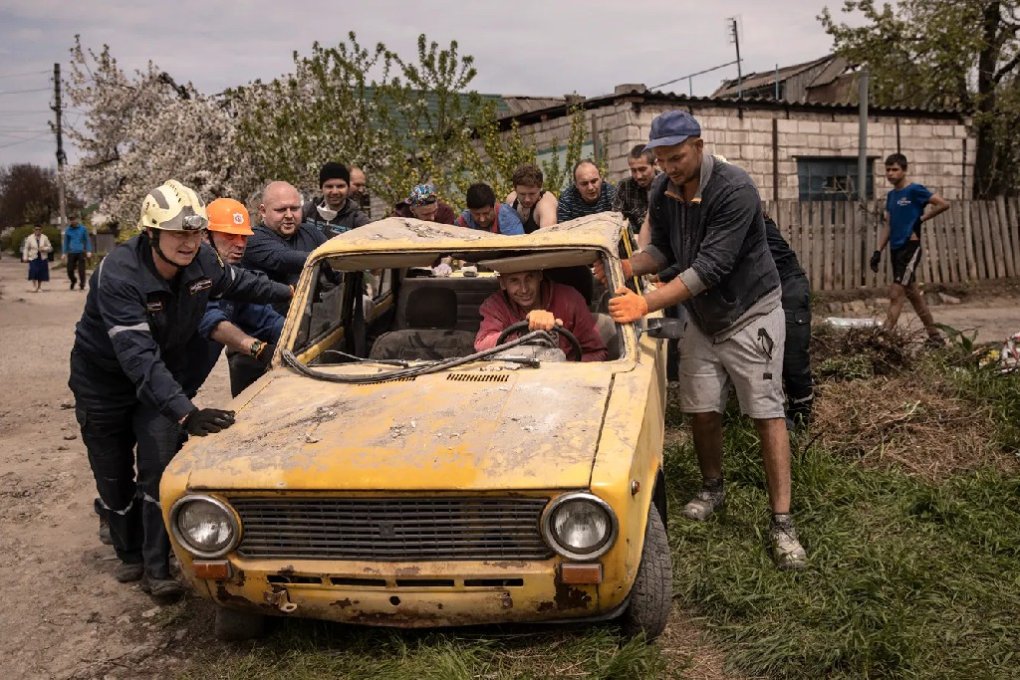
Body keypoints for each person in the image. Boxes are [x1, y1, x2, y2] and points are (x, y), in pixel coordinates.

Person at [68, 180, 292, 598]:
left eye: (194, 233)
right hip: (104, 384)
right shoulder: (118, 275)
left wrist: (293, 291)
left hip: (158, 377)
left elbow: (243, 284)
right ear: (151, 233)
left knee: (157, 466)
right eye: (177, 233)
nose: (188, 243)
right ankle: (129, 552)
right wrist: (187, 413)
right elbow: (137, 358)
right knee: (113, 476)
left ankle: (158, 569)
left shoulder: (202, 263)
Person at [603, 110, 806, 570]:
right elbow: (667, 253)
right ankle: (713, 488)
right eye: (662, 159)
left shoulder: (735, 189)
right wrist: (630, 267)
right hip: (702, 317)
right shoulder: (661, 189)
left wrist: (646, 304)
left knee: (766, 412)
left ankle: (782, 521)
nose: (670, 167)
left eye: (676, 157)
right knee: (700, 409)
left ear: (698, 144)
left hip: (750, 313)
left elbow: (711, 267)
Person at [194, 198, 286, 397]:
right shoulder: (191, 275)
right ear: (205, 236)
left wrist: (297, 336)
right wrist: (258, 349)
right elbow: (209, 319)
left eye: (243, 237)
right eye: (230, 236)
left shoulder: (233, 280)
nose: (239, 244)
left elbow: (266, 320)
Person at [870, 153, 950, 345]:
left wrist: (921, 219)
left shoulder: (915, 190)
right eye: (887, 170)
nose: (890, 173)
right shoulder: (891, 196)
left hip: (910, 247)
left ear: (904, 170)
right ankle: (935, 337)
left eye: (895, 169)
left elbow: (943, 204)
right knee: (913, 294)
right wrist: (878, 251)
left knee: (896, 293)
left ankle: (882, 339)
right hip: (895, 249)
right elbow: (888, 225)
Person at [475, 266, 607, 361]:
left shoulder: (571, 299)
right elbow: (481, 345)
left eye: (529, 277)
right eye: (514, 280)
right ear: (502, 283)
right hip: (515, 381)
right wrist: (525, 333)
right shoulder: (495, 305)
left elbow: (596, 351)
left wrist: (570, 372)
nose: (524, 289)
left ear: (540, 275)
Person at [242, 181, 329, 312]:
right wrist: (323, 257)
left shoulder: (311, 232)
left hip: (313, 321)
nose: (289, 215)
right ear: (263, 211)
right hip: (271, 323)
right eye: (281, 210)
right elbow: (283, 259)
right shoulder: (253, 238)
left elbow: (336, 268)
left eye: (294, 209)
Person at [763, 211, 814, 428]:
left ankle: (802, 416)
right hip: (770, 289)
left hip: (789, 286)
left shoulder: (747, 219)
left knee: (793, 356)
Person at [303, 162, 371, 237]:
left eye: (340, 186)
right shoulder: (307, 210)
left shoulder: (358, 219)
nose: (335, 192)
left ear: (348, 188)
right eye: (329, 186)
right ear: (321, 188)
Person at [613, 144, 660, 236]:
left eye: (642, 169)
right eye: (633, 171)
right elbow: (616, 221)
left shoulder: (666, 185)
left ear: (655, 164)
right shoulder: (624, 186)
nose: (638, 176)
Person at [505, 163, 558, 232]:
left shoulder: (545, 206)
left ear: (540, 188)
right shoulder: (511, 200)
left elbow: (548, 239)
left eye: (532, 194)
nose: (527, 199)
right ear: (515, 189)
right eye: (522, 194)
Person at [455, 183, 525, 234]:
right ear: (469, 210)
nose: (482, 219)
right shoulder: (463, 221)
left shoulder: (508, 217)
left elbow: (519, 247)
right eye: (477, 214)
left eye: (486, 213)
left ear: (494, 206)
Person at [62, 214, 93, 291]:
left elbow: (87, 240)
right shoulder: (68, 230)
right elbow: (66, 242)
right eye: (71, 219)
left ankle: (82, 285)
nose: (73, 221)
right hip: (72, 252)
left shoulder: (83, 229)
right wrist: (64, 253)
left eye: (74, 219)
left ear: (77, 220)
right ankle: (73, 280)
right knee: (69, 270)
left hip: (81, 252)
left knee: (81, 270)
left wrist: (88, 250)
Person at [23, 224, 53, 292]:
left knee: (41, 272)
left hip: (42, 257)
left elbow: (50, 248)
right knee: (33, 271)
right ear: (33, 230)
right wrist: (25, 257)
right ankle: (34, 286)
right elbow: (26, 248)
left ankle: (39, 287)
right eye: (36, 229)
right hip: (33, 257)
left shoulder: (45, 237)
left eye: (39, 229)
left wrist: (44, 249)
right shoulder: (30, 238)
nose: (38, 231)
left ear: (41, 230)